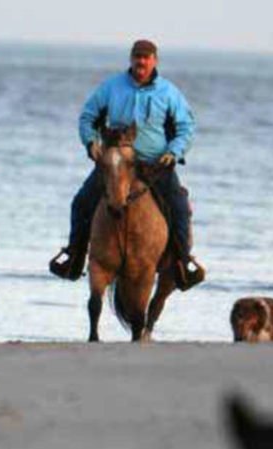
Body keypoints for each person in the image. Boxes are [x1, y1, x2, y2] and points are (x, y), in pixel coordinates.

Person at [49, 39, 204, 291]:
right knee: (81, 203)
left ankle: (182, 264)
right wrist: (91, 143)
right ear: (131, 59)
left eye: (146, 57)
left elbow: (187, 127)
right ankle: (74, 258)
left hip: (156, 165)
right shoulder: (111, 87)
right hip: (116, 164)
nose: (141, 62)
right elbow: (88, 116)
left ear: (154, 61)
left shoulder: (168, 92)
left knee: (179, 208)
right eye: (137, 57)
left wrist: (173, 152)